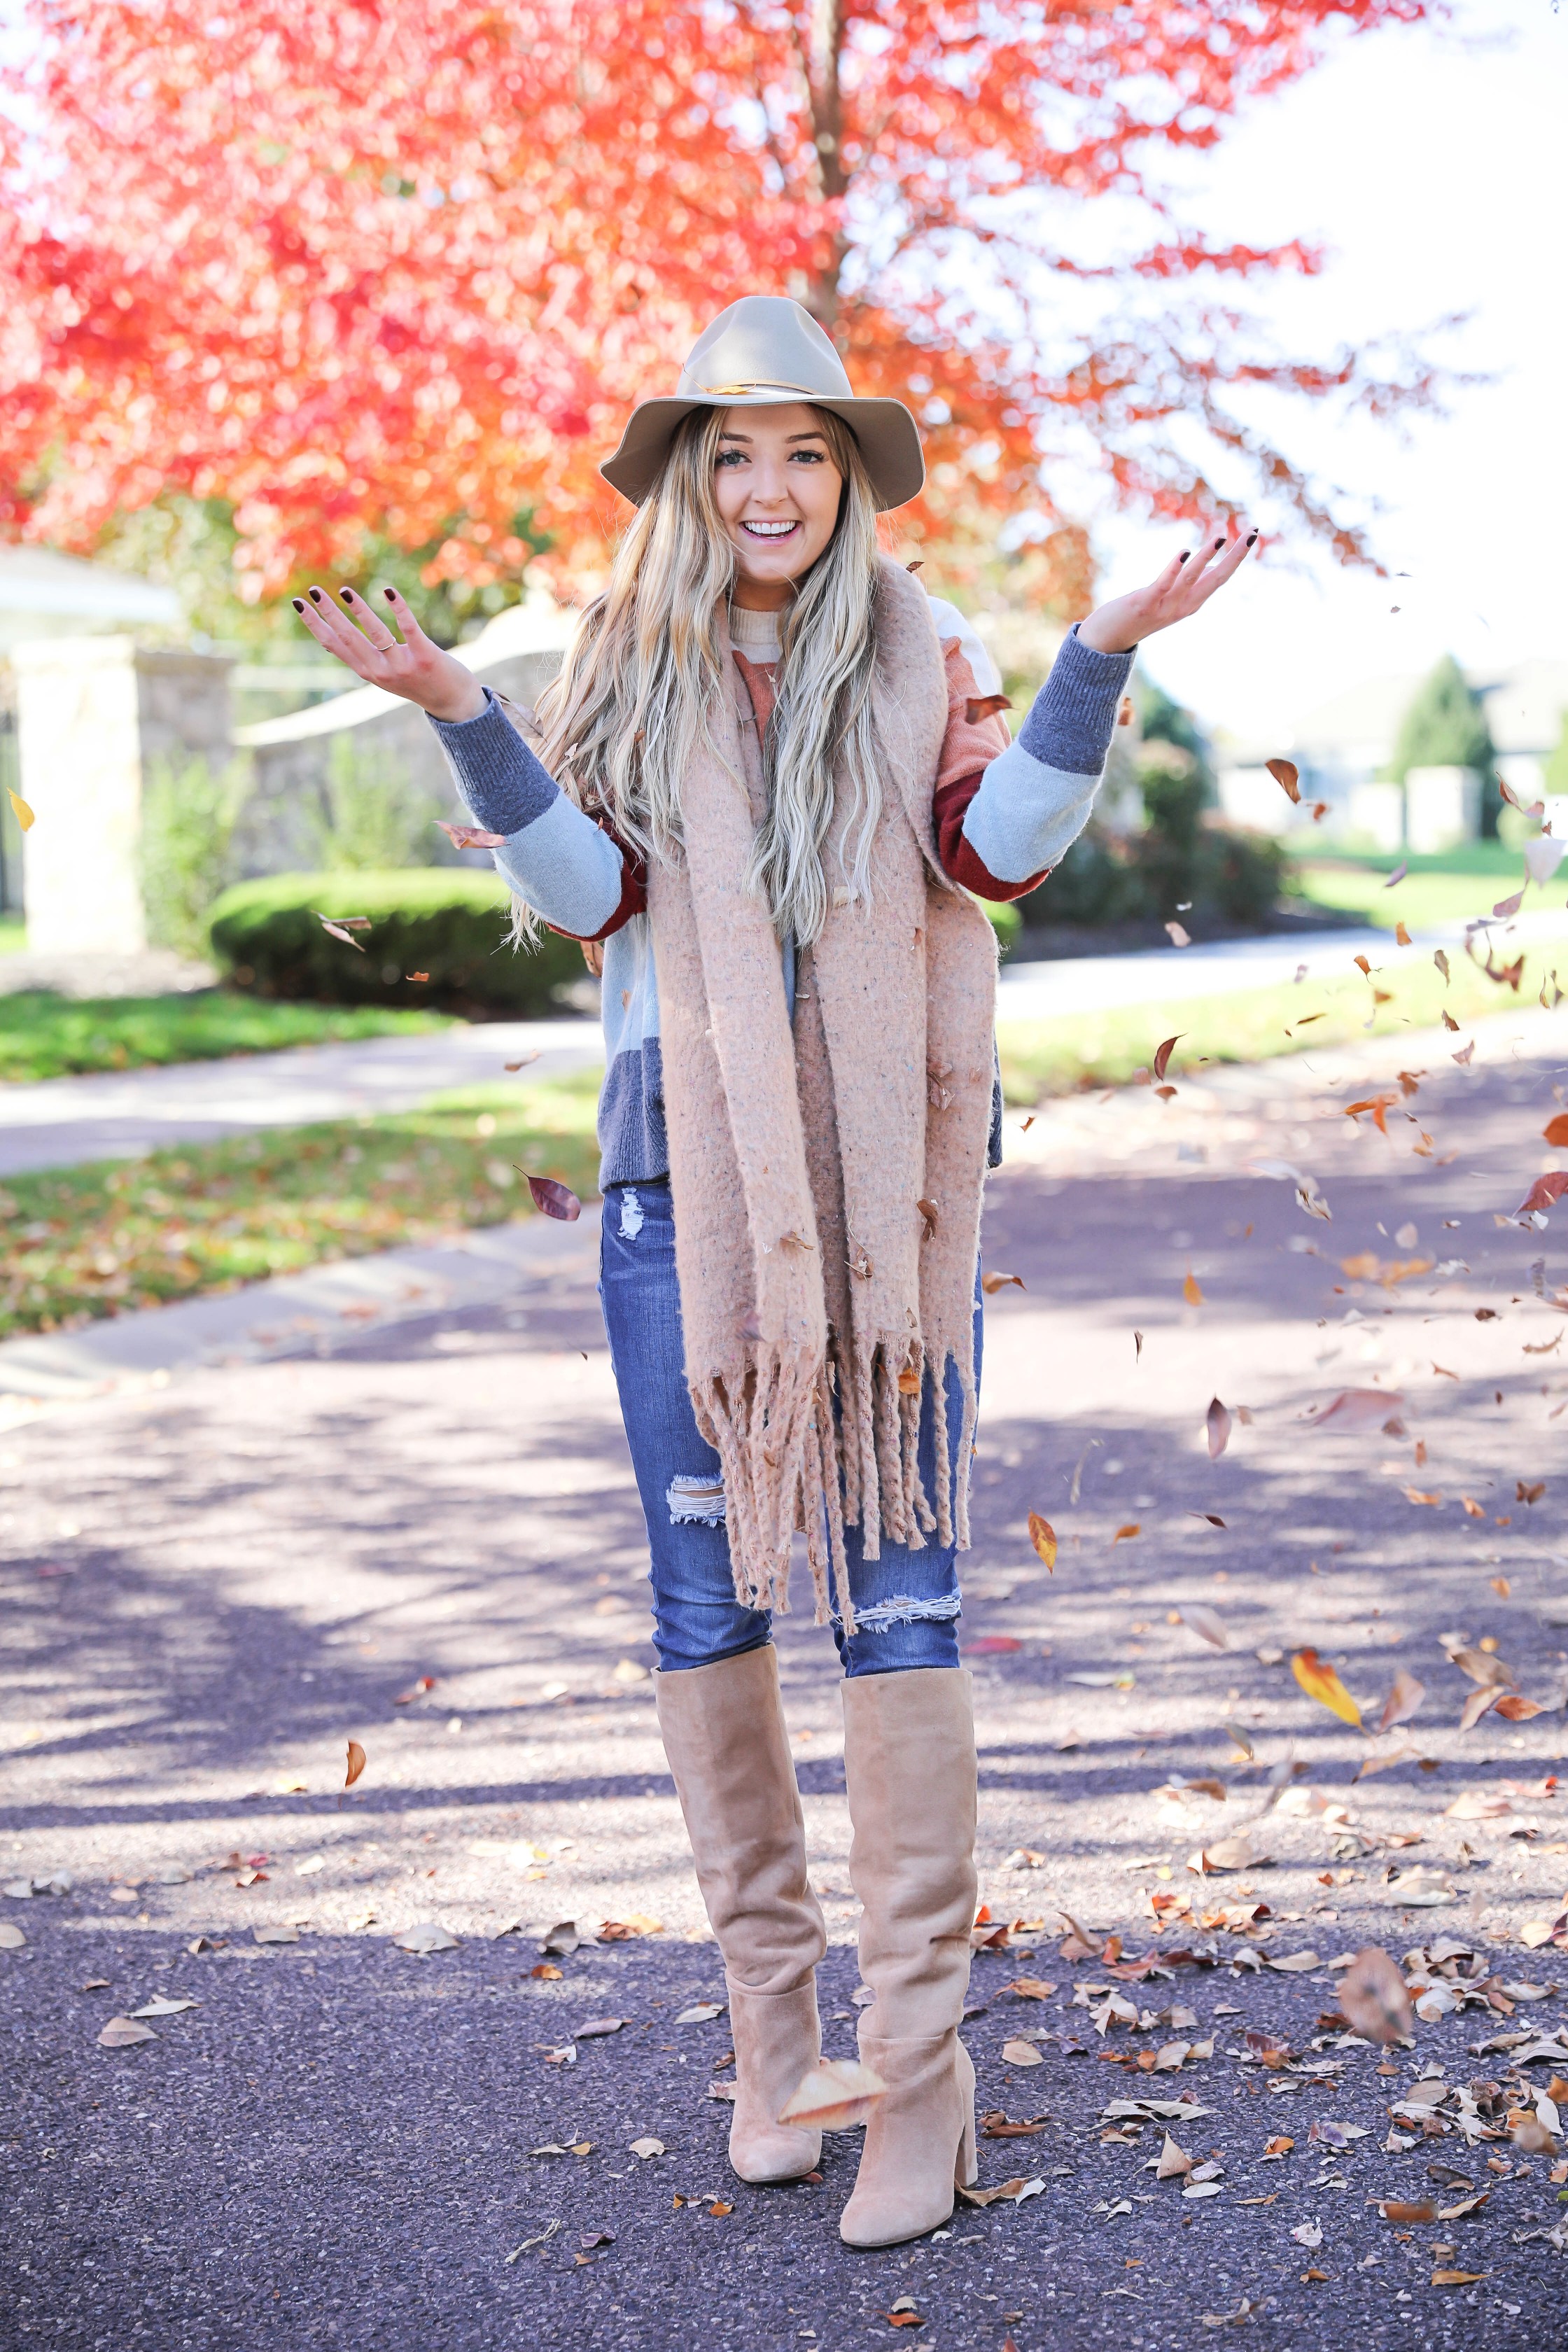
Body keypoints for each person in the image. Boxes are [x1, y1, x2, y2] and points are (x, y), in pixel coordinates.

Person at [291, 295, 1254, 2248]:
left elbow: (996, 857)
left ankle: (921, 2083)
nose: (769, 485)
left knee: (900, 1600)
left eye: (804, 451)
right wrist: (462, 721)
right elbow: (590, 897)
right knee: (706, 1593)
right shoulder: (622, 662)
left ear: (848, 478)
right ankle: (774, 2044)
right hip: (682, 1180)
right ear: (681, 477)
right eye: (731, 452)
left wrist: (1099, 655)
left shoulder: (932, 648)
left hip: (891, 1198)